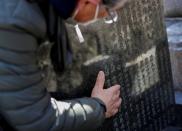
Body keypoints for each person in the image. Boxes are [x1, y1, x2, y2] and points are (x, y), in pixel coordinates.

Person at [0, 0, 127, 130]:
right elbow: (35, 119)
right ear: (89, 2)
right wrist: (99, 107)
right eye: (109, 12)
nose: (103, 17)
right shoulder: (14, 23)